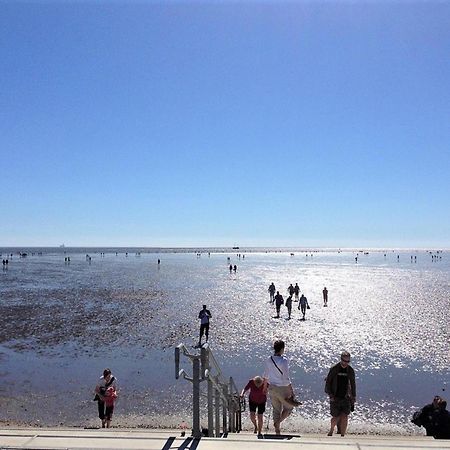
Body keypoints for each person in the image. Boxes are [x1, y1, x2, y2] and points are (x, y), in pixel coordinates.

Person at [263, 340, 301, 435]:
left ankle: (277, 431)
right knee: (289, 407)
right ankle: (278, 423)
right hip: (282, 387)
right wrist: (291, 390)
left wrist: (264, 387)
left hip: (271, 387)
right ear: (282, 349)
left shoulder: (269, 359)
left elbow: (266, 375)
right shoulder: (284, 360)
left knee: (276, 409)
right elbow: (286, 377)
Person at [325, 351, 356, 437]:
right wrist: (330, 395)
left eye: (348, 361)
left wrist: (353, 396)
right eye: (344, 361)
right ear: (341, 359)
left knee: (345, 416)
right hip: (335, 396)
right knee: (335, 417)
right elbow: (328, 383)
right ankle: (331, 430)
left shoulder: (350, 370)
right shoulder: (334, 369)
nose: (346, 363)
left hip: (346, 397)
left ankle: (342, 435)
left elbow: (353, 384)